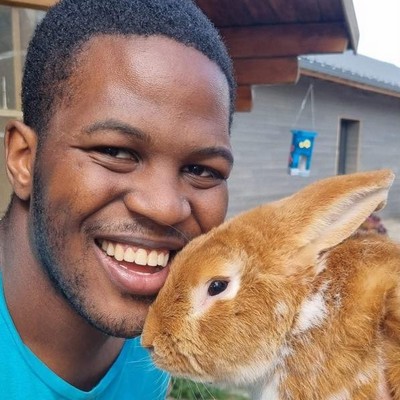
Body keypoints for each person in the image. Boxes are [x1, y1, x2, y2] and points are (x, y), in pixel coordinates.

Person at [0, 0, 235, 398]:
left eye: (202, 170)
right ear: (24, 160)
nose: (164, 207)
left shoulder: (155, 342)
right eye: (114, 151)